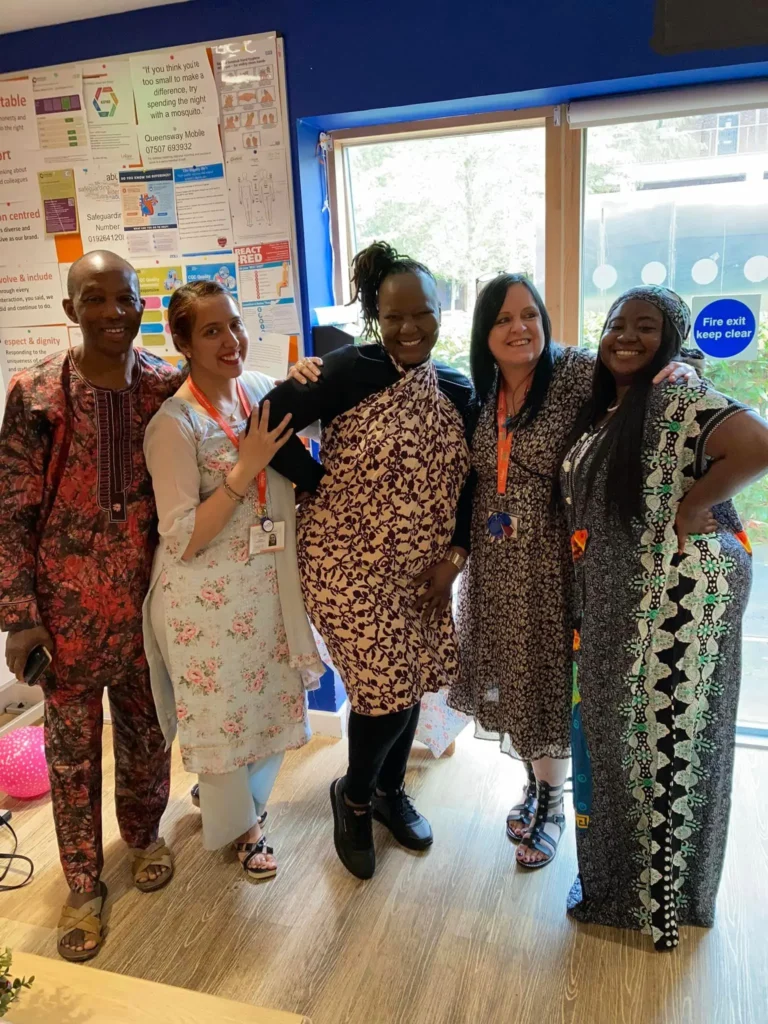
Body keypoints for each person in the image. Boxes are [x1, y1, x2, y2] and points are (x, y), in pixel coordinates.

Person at [560, 286, 768, 950]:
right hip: (623, 601)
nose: (625, 336)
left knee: (659, 751)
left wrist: (693, 506)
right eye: (616, 324)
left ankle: (649, 905)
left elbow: (758, 444)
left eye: (645, 327)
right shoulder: (618, 403)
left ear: (671, 338)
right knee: (629, 751)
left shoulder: (676, 395)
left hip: (664, 610)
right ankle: (635, 891)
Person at [261, 241, 473, 879]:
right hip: (344, 564)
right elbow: (268, 417)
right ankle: (352, 796)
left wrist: (456, 554)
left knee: (407, 685)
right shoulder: (346, 370)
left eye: (423, 314)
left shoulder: (458, 388)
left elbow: (466, 484)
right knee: (384, 692)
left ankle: (387, 790)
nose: (410, 328)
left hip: (420, 570)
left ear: (442, 312)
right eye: (395, 315)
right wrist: (317, 483)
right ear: (376, 314)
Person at [0, 250, 181, 961]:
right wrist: (18, 615)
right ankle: (81, 883)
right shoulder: (38, 392)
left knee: (147, 736)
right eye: (95, 299)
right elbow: (9, 514)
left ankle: (143, 838)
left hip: (145, 610)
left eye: (126, 298)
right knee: (71, 755)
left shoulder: (164, 387)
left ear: (144, 305)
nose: (113, 312)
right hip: (64, 615)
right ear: (72, 309)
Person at [142, 281, 323, 881]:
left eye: (236, 325)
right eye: (212, 331)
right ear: (184, 343)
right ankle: (243, 826)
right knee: (220, 718)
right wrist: (244, 470)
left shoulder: (257, 390)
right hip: (204, 601)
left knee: (270, 707)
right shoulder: (173, 425)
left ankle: (242, 803)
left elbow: (311, 435)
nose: (231, 340)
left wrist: (304, 376)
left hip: (267, 591)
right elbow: (183, 537)